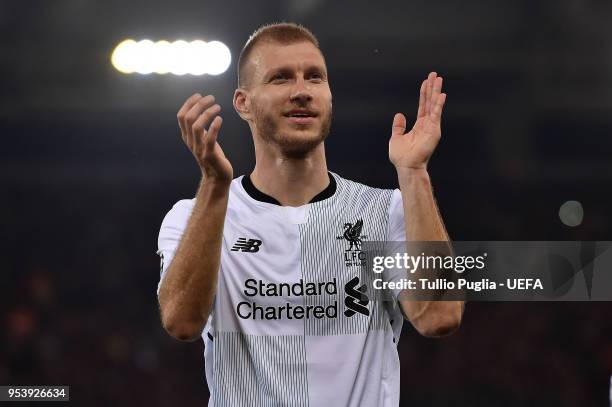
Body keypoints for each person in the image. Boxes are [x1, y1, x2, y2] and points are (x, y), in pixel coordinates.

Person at [156, 22, 464, 407]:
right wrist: (216, 185)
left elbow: (440, 316)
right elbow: (181, 323)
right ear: (243, 103)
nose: (301, 91)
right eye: (280, 78)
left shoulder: (385, 211)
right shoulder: (193, 216)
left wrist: (414, 174)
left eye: (314, 77)